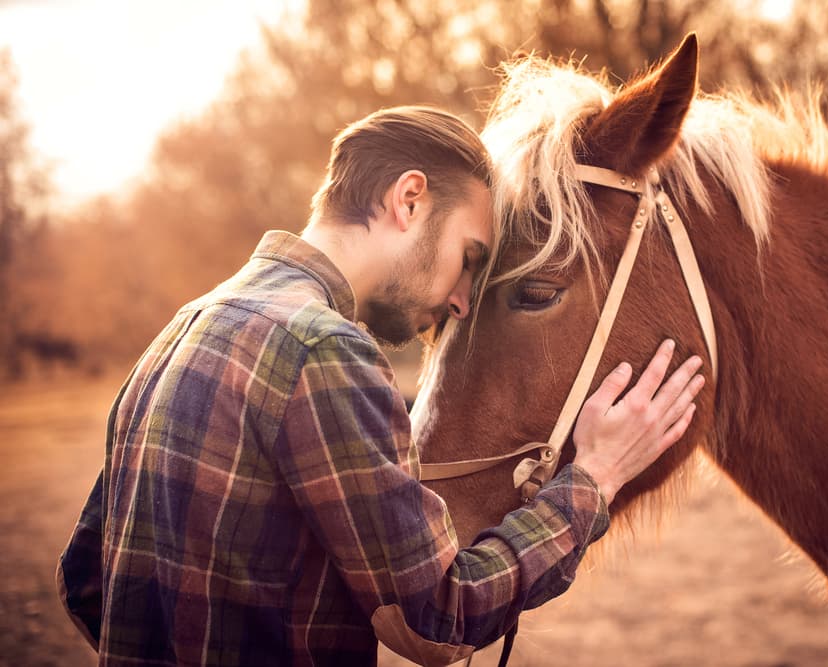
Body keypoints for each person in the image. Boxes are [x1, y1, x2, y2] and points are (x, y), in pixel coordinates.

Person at [56, 106, 705, 667]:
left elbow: (85, 580)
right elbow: (442, 616)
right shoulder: (323, 349)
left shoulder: (182, 329)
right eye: (470, 257)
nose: (461, 299)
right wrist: (594, 477)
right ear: (408, 200)